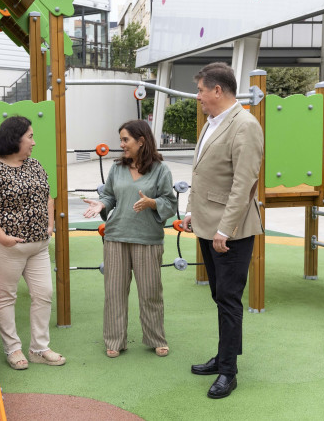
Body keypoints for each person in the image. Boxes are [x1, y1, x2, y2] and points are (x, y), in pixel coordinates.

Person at [180, 62, 264, 399]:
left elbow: (244, 186)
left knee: (229, 299)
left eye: (201, 89)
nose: (197, 96)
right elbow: (202, 173)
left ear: (217, 90)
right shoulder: (212, 123)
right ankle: (223, 356)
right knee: (219, 296)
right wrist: (189, 211)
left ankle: (228, 371)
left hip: (231, 232)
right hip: (207, 224)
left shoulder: (245, 125)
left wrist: (224, 230)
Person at [0, 115, 65, 370]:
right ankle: (13, 349)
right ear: (15, 139)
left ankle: (39, 347)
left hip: (38, 245)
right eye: (30, 137)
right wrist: (3, 238)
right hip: (7, 247)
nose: (34, 142)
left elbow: (47, 196)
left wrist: (49, 225)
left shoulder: (35, 165)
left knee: (44, 294)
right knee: (6, 296)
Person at [83, 120, 177, 359]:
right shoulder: (117, 168)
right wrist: (102, 203)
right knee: (114, 292)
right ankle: (115, 340)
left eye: (126, 140)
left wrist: (152, 202)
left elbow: (170, 202)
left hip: (148, 239)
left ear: (141, 141)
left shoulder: (161, 170)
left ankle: (156, 338)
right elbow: (110, 196)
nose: (122, 144)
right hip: (116, 237)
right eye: (121, 140)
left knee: (150, 293)